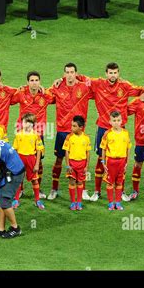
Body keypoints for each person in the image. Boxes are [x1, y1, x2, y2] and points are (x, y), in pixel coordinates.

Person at [76, 63, 144, 202]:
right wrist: (60, 80)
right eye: (110, 73)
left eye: (115, 73)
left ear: (118, 73)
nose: (113, 75)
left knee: (121, 160)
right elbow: (80, 77)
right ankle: (97, 191)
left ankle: (121, 191)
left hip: (121, 129)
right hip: (103, 127)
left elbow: (143, 90)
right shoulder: (98, 83)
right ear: (106, 73)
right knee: (100, 158)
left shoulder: (125, 86)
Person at [47, 63, 92, 201]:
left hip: (79, 132)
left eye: (72, 72)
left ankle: (82, 189)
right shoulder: (58, 87)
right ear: (64, 73)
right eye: (67, 72)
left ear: (76, 73)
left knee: (82, 159)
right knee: (59, 159)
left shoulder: (85, 87)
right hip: (62, 130)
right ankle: (54, 188)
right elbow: (45, 94)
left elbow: (102, 85)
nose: (70, 75)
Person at [11, 71, 54, 199]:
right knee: (20, 160)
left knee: (38, 161)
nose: (34, 83)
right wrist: (18, 90)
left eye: (36, 80)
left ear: (39, 82)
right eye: (32, 80)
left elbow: (53, 99)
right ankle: (21, 188)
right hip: (22, 132)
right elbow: (11, 100)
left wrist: (45, 91)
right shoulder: (22, 94)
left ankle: (38, 189)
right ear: (28, 82)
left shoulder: (45, 95)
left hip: (38, 133)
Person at [12, 113, 45, 210]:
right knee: (18, 180)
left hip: (31, 159)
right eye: (25, 122)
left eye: (29, 122)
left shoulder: (36, 135)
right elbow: (15, 150)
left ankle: (37, 200)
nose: (26, 124)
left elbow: (39, 150)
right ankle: (16, 200)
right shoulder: (18, 134)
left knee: (34, 180)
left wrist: (37, 164)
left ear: (33, 124)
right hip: (20, 159)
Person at [100, 111, 131, 211]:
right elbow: (103, 148)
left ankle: (117, 202)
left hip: (122, 161)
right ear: (110, 122)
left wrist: (127, 161)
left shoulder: (125, 133)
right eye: (114, 121)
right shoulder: (107, 133)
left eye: (118, 120)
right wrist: (103, 162)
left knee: (119, 183)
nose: (117, 122)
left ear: (121, 121)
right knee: (110, 183)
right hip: (111, 162)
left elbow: (128, 148)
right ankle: (110, 203)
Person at [63, 115, 91, 211]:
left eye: (74, 126)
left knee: (80, 182)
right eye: (72, 125)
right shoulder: (69, 137)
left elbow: (88, 153)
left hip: (82, 164)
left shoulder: (86, 138)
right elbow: (66, 151)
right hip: (72, 163)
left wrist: (87, 166)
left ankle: (79, 202)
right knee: (72, 182)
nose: (72, 128)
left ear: (81, 127)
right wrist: (67, 165)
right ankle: (72, 202)